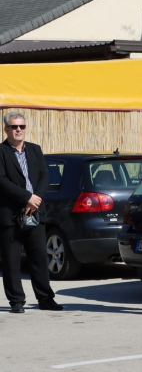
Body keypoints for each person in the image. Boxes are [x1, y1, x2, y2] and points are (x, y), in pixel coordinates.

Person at [0, 112, 63, 313]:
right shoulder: (1, 152)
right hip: (11, 213)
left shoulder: (35, 150)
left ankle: (45, 299)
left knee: (39, 257)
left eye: (22, 126)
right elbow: (1, 181)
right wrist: (26, 197)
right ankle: (16, 301)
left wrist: (36, 198)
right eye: (14, 127)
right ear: (6, 129)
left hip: (35, 211)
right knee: (11, 260)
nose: (19, 130)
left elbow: (45, 175)